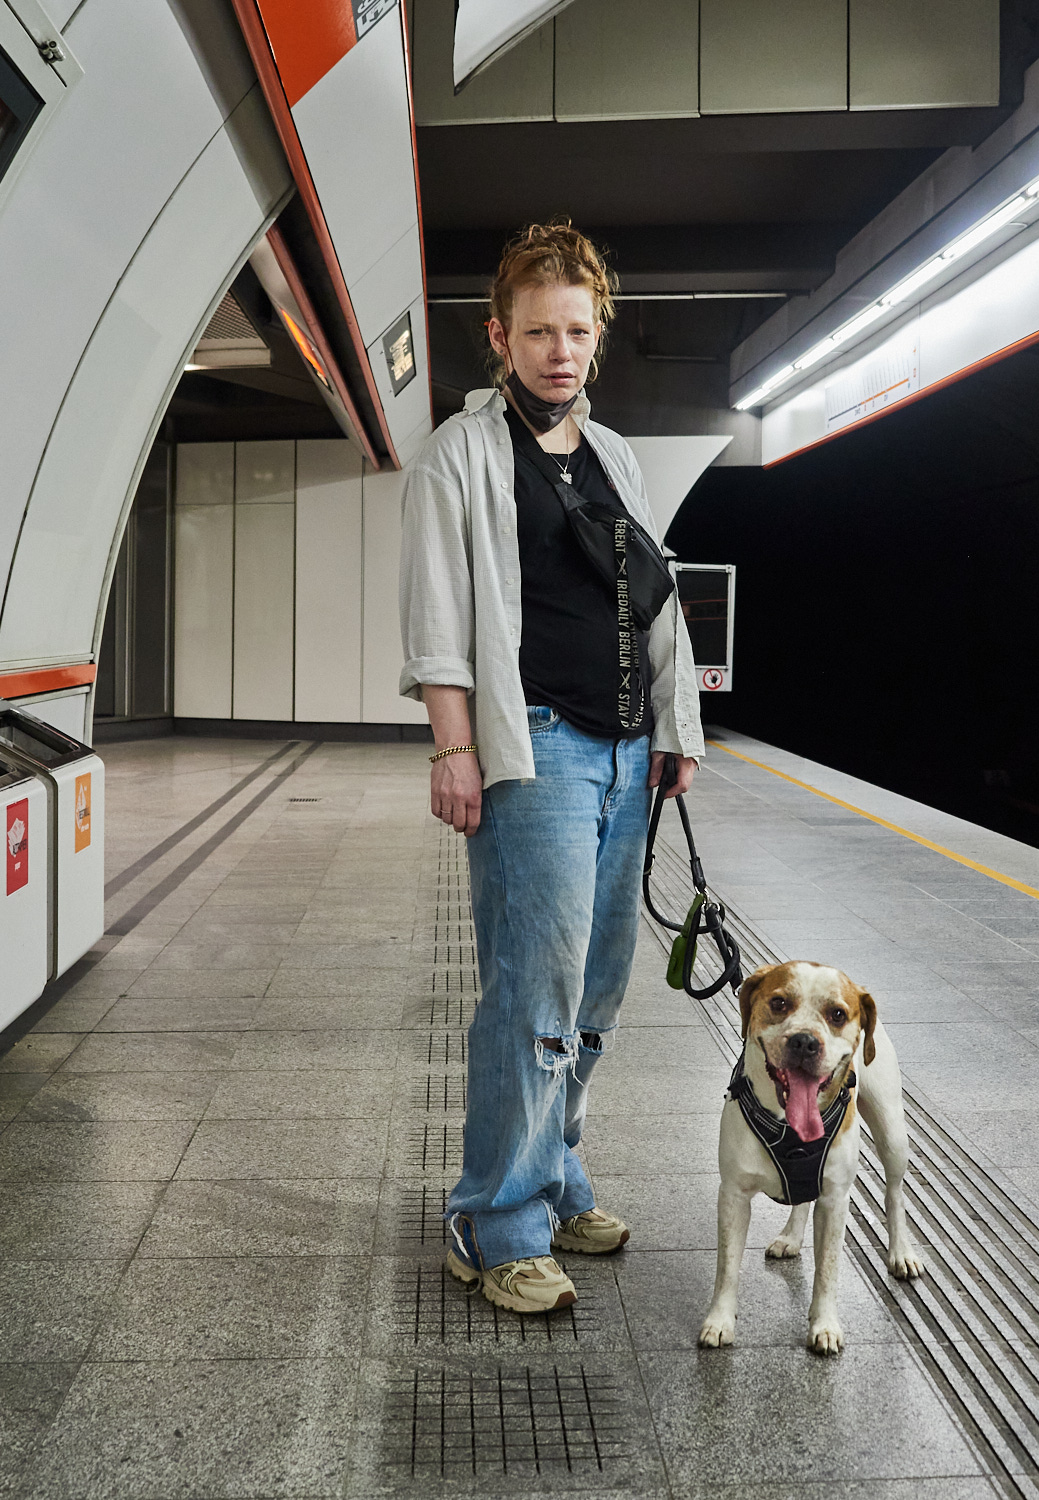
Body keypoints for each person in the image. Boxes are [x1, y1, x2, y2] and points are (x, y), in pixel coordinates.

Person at [399, 220, 704, 1313]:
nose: (559, 352)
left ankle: (555, 1171)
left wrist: (674, 729)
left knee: (599, 987)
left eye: (576, 332)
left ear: (597, 335)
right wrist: (454, 748)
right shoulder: (460, 456)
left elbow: (652, 601)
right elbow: (438, 623)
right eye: (538, 332)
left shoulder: (615, 455)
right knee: (534, 991)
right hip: (534, 749)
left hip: (623, 753)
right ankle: (496, 1222)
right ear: (500, 337)